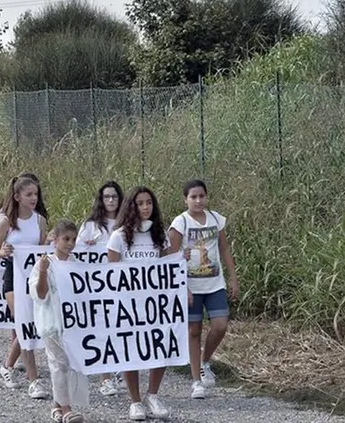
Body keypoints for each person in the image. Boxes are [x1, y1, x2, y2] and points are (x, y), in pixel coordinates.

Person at [106, 186, 175, 421]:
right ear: (132, 207)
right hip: (129, 304)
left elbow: (169, 269)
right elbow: (111, 273)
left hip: (156, 303)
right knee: (131, 351)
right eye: (140, 203)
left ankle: (152, 394)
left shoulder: (160, 235)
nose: (146, 207)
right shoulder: (119, 236)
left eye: (149, 203)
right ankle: (135, 401)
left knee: (161, 347)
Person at [168, 179, 238, 399]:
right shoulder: (180, 223)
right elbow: (170, 254)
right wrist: (181, 284)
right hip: (190, 285)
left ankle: (204, 361)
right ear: (185, 199)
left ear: (206, 197)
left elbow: (224, 248)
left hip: (214, 283)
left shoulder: (216, 219)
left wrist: (233, 277)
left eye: (201, 196)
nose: (198, 201)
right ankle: (196, 380)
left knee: (220, 325)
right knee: (194, 330)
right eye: (193, 197)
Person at [0, 176, 49, 399]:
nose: (33, 198)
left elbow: (43, 248)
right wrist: (3, 252)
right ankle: (34, 380)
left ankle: (7, 365)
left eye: (36, 194)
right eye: (29, 194)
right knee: (24, 323)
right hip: (13, 277)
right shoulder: (6, 220)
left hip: (33, 277)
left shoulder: (40, 221)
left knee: (30, 324)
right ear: (17, 197)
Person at [29, 219, 90, 423]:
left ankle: (57, 406)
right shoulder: (44, 264)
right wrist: (44, 271)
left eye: (73, 239)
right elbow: (40, 293)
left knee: (71, 363)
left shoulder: (76, 264)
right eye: (66, 239)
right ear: (55, 239)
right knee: (59, 363)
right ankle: (66, 409)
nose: (70, 243)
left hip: (72, 323)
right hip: (51, 322)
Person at [80, 180, 125, 396]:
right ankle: (105, 378)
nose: (110, 200)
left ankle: (118, 369)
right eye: (106, 197)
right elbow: (75, 251)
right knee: (102, 331)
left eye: (114, 197)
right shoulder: (91, 226)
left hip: (123, 287)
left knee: (121, 330)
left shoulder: (127, 224)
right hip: (99, 288)